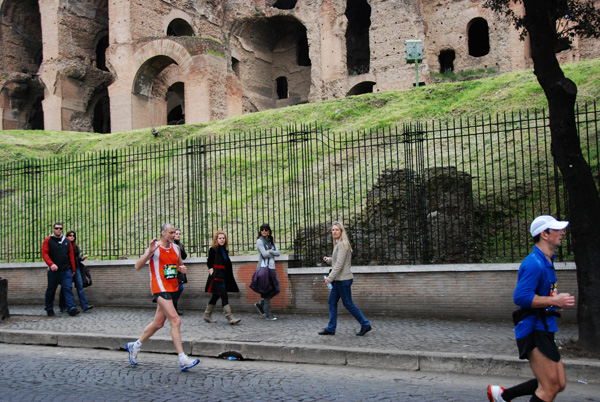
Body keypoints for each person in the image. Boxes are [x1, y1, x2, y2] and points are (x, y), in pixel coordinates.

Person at [487, 215, 575, 402]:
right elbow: (521, 297)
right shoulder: (534, 263)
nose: (562, 233)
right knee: (549, 387)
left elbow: (541, 294)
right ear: (544, 234)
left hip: (546, 327)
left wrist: (554, 302)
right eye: (557, 230)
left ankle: (503, 395)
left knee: (559, 383)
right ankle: (503, 395)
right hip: (534, 329)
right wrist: (554, 301)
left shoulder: (547, 260)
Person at [125, 223, 199, 371]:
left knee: (158, 323)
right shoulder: (155, 248)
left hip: (172, 288)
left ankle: (135, 345)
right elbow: (137, 266)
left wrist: (182, 268)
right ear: (163, 233)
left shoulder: (176, 248)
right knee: (176, 320)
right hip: (159, 288)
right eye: (171, 233)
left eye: (174, 233)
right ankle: (182, 358)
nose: (173, 235)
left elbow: (179, 266)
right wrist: (148, 252)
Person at [318, 221, 371, 336]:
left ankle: (365, 324)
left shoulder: (343, 244)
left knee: (348, 304)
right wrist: (329, 260)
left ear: (341, 231)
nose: (334, 232)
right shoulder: (338, 244)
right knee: (332, 302)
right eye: (333, 230)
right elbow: (337, 261)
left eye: (336, 229)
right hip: (338, 280)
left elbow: (340, 265)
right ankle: (331, 328)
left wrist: (329, 278)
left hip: (343, 280)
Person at [41, 222, 80, 317]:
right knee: (51, 289)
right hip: (54, 271)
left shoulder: (66, 241)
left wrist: (73, 269)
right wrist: (51, 264)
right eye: (56, 228)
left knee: (68, 288)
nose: (58, 230)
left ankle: (71, 308)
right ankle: (49, 308)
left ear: (62, 230)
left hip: (66, 270)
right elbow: (45, 253)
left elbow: (70, 255)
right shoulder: (48, 240)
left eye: (60, 228)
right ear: (53, 229)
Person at [204, 230, 241, 325]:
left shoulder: (224, 250)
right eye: (220, 238)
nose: (222, 240)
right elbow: (209, 262)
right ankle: (230, 317)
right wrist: (212, 273)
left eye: (223, 238)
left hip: (224, 276)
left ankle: (207, 315)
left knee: (216, 296)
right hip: (217, 277)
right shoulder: (213, 249)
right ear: (216, 239)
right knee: (224, 295)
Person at [59, 231, 93, 313]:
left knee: (79, 285)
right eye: (70, 235)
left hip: (76, 267)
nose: (72, 237)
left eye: (73, 236)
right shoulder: (63, 245)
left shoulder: (75, 246)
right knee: (66, 287)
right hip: (67, 268)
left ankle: (84, 305)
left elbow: (76, 259)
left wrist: (82, 258)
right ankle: (63, 306)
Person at [254, 223, 281, 321]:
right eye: (262, 230)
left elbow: (278, 253)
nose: (264, 231)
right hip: (263, 268)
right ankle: (268, 314)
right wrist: (270, 252)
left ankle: (261, 303)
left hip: (272, 268)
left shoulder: (271, 241)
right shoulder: (259, 241)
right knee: (267, 291)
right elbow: (265, 254)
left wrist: (270, 251)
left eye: (266, 229)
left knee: (277, 289)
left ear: (269, 231)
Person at [172, 228, 187, 315]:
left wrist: (181, 248)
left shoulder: (180, 245)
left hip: (179, 268)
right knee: (175, 289)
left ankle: (173, 308)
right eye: (176, 233)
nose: (178, 235)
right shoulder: (171, 245)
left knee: (180, 288)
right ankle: (172, 309)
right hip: (173, 268)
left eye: (179, 234)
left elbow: (184, 257)